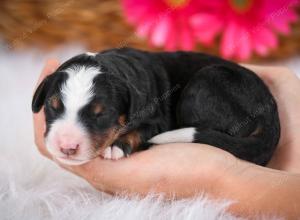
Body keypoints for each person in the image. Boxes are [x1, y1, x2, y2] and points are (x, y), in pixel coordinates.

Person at [33, 59, 300, 218]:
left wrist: (129, 140)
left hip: (234, 103)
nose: (67, 142)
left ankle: (222, 137)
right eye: (55, 108)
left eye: (97, 117)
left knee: (202, 90)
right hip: (242, 110)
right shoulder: (123, 88)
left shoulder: (138, 97)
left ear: (131, 106)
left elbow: (153, 123)